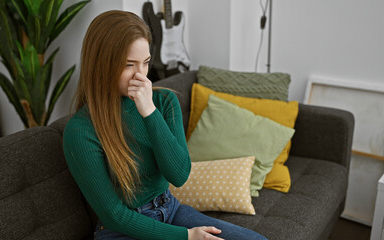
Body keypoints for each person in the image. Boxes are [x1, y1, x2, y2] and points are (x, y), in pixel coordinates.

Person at [63, 10, 268, 240]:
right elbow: (114, 215)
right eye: (129, 65)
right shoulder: (81, 131)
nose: (140, 76)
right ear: (102, 64)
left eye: (146, 63)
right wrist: (187, 236)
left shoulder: (163, 102)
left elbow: (179, 175)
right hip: (124, 231)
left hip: (171, 210)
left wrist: (149, 112)